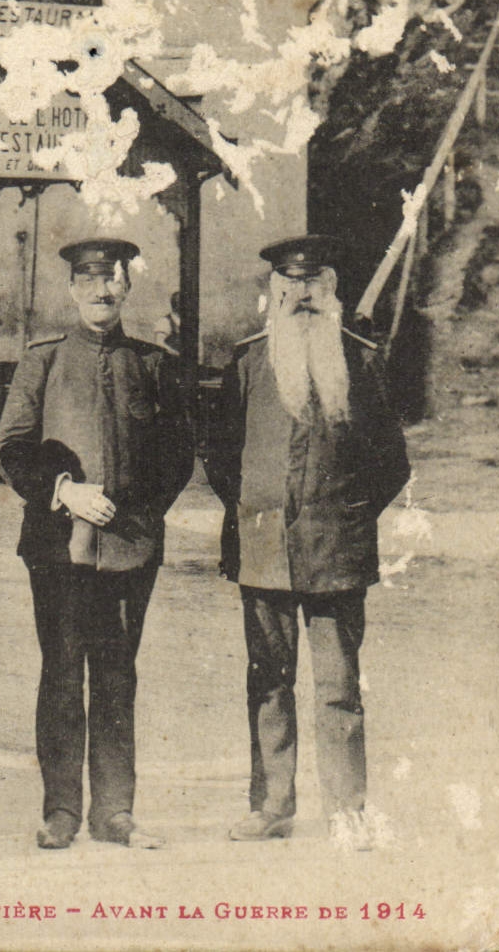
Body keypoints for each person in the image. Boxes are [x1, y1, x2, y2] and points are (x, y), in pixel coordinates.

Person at [204, 235, 409, 850]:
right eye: (291, 285)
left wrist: (348, 514)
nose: (303, 295)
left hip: (337, 552)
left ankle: (347, 810)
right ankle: (271, 806)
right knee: (268, 680)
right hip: (263, 549)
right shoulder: (247, 363)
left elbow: (391, 463)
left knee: (339, 688)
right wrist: (256, 511)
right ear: (275, 291)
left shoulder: (361, 362)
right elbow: (221, 456)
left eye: (314, 283)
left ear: (332, 290)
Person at [0, 238, 194, 851]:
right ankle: (60, 811)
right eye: (89, 279)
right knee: (61, 675)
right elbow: (11, 447)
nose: (102, 290)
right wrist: (64, 491)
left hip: (129, 550)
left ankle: (114, 812)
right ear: (72, 289)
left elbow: (177, 455)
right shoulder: (44, 360)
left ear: (127, 287)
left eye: (112, 279)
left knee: (116, 678)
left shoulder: (152, 364)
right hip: (59, 549)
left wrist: (138, 515)